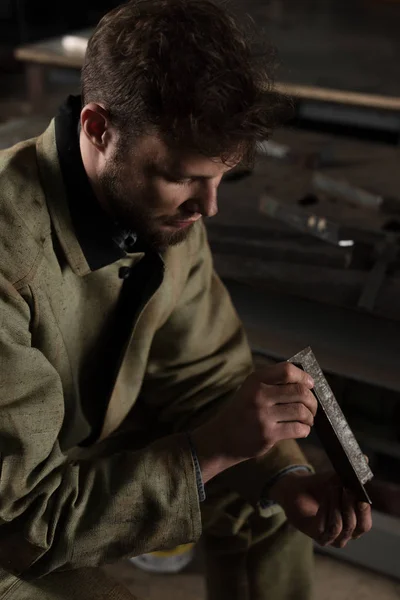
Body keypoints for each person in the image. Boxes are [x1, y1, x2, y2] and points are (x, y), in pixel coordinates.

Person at [0, 1, 372, 598]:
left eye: (220, 177)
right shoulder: (6, 259)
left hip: (76, 465)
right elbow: (25, 523)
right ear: (98, 129)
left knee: (273, 506)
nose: (209, 208)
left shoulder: (162, 217)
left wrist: (284, 476)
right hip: (14, 518)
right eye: (180, 176)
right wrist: (209, 452)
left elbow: (207, 376)